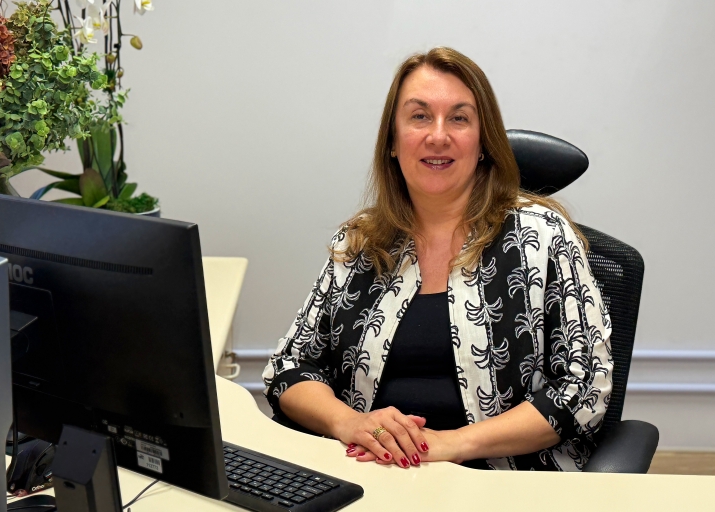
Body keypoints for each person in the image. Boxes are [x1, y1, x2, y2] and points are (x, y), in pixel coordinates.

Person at [262, 47, 612, 471]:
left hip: (506, 483)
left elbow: (583, 387)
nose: (438, 135)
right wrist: (349, 422)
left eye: (459, 118)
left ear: (483, 143)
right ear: (393, 141)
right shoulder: (360, 243)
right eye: (420, 116)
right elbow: (290, 366)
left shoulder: (542, 237)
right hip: (375, 475)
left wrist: (450, 444)